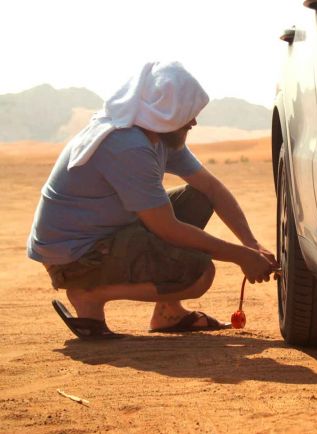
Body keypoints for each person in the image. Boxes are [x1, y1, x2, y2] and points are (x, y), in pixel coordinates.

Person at [27, 61, 278, 340]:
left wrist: (250, 243)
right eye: (187, 114)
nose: (193, 122)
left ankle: (168, 313)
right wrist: (241, 256)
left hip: (104, 235)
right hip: (76, 257)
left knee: (198, 199)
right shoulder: (127, 144)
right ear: (165, 113)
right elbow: (166, 228)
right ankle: (89, 294)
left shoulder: (157, 136)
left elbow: (212, 188)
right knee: (199, 274)